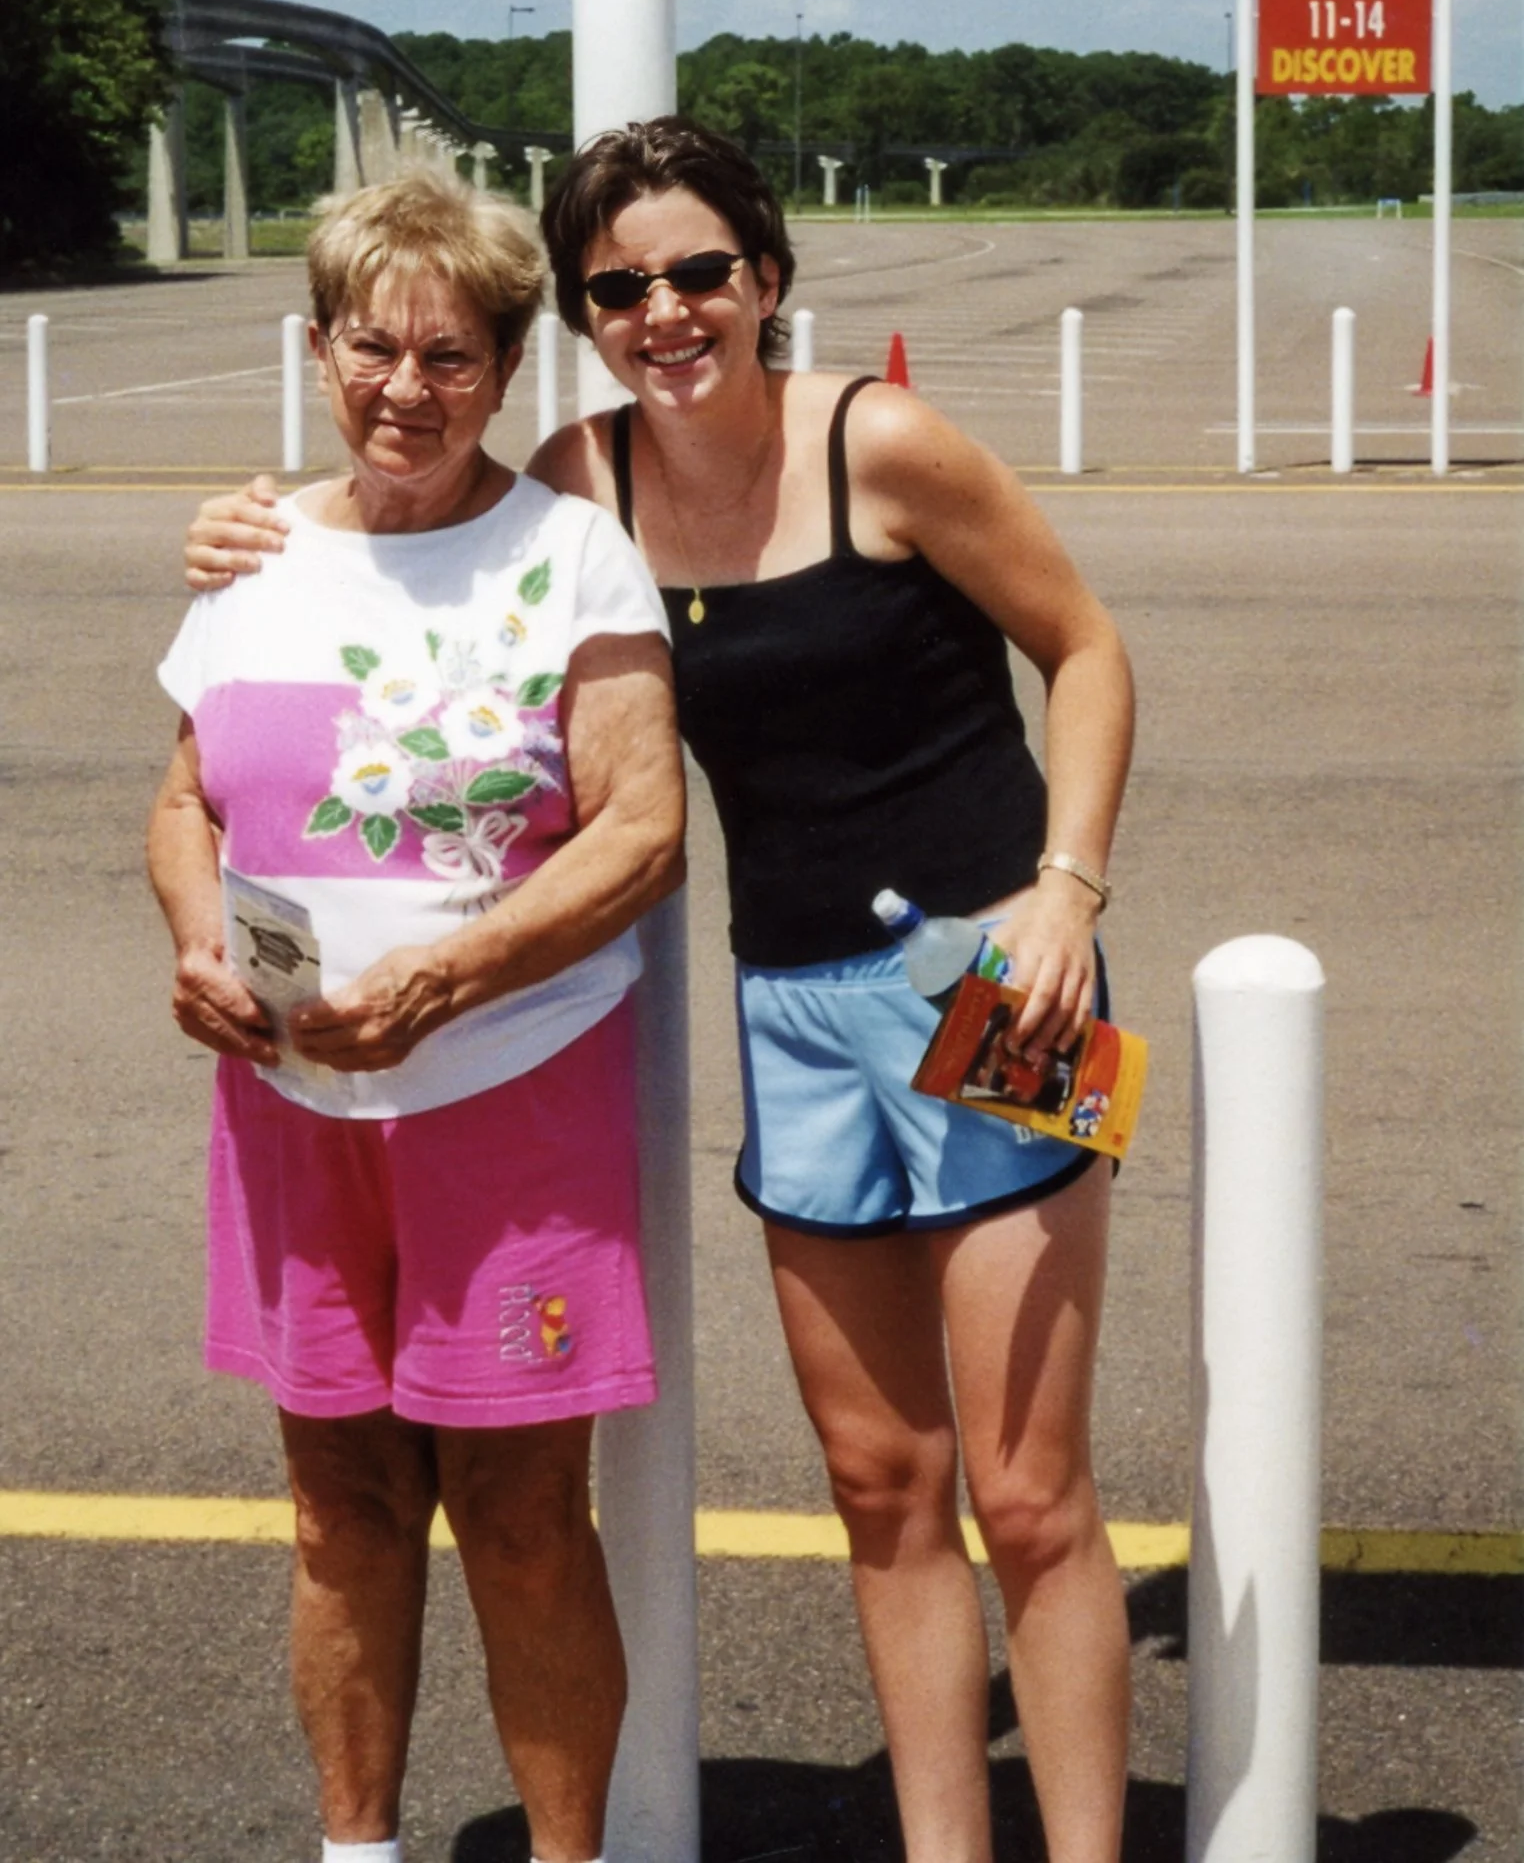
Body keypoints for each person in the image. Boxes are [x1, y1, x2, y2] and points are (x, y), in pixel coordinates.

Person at [183, 118, 1136, 1863]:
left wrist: (1070, 893)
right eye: (624, 287)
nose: (668, 310)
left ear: (768, 278)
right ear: (589, 319)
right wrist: (247, 524)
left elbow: (1087, 648)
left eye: (703, 272)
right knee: (882, 1485)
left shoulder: (886, 441)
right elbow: (415, 548)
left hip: (1003, 973)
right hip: (797, 999)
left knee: (1030, 1489)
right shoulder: (586, 483)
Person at [152, 170, 685, 1863]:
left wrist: (454, 975)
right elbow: (184, 806)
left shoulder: (569, 554)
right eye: (373, 348)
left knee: (523, 1522)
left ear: (509, 366)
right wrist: (196, 947)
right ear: (319, 349)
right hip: (294, 1108)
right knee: (341, 1513)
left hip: (511, 1104)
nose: (406, 390)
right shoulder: (256, 554)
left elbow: (645, 828)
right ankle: (354, 1848)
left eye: (451, 357)